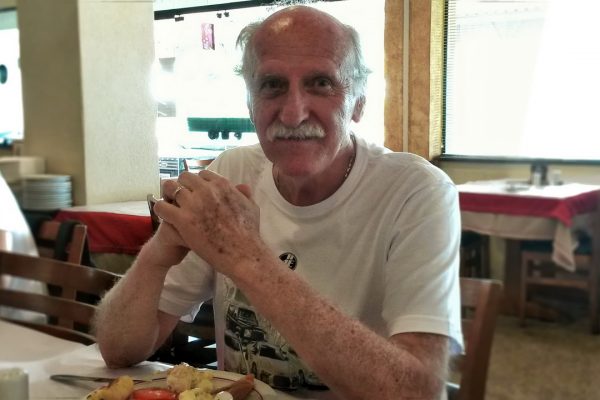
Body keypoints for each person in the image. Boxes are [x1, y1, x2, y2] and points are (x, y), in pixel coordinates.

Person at [95, 5, 462, 400]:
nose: (292, 113)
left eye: (321, 83)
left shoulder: (415, 192)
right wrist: (159, 253)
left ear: (358, 102)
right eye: (272, 85)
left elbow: (418, 392)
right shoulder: (231, 173)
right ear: (250, 103)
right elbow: (119, 350)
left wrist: (248, 259)